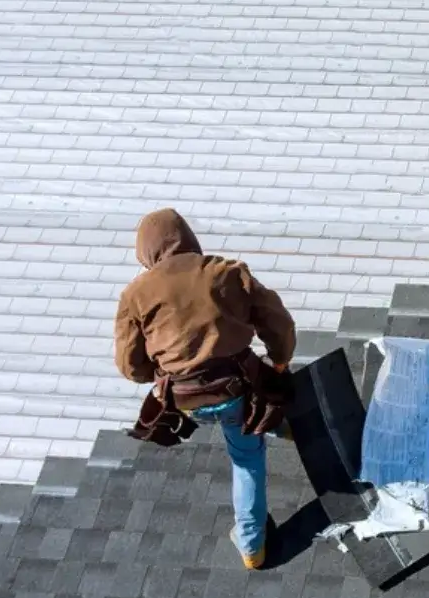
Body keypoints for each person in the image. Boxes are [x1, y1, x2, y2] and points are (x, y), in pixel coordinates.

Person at [113, 208, 297, 569]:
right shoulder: (226, 272)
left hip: (185, 400)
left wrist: (168, 371)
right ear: (187, 239)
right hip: (237, 390)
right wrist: (279, 360)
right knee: (246, 457)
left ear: (146, 251)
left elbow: (131, 367)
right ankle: (251, 546)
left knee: (236, 419)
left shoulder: (135, 296)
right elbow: (278, 323)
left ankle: (275, 424)